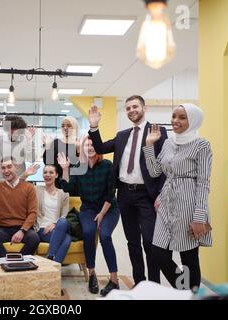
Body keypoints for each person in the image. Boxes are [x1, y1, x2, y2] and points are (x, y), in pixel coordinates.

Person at [88, 95, 168, 285]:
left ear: (144, 108)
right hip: (124, 194)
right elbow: (99, 147)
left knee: (149, 241)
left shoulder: (158, 131)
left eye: (135, 107)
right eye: (128, 108)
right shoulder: (122, 135)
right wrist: (93, 127)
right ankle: (139, 283)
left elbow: (165, 165)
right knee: (133, 242)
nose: (131, 110)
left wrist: (161, 194)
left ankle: (153, 284)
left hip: (147, 195)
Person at [143, 103, 212, 291]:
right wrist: (149, 145)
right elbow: (155, 171)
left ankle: (192, 293)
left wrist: (199, 217)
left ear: (194, 121)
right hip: (166, 203)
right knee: (157, 252)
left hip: (188, 205)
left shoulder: (202, 145)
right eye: (174, 116)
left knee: (188, 257)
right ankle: (185, 291)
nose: (175, 121)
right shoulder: (168, 142)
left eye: (182, 117)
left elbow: (204, 183)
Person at [58, 136, 120, 296]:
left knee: (105, 236)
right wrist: (65, 169)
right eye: (87, 144)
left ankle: (114, 279)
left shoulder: (107, 166)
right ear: (82, 148)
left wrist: (101, 214)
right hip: (88, 209)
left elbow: (110, 193)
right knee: (88, 233)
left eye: (93, 144)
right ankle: (91, 272)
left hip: (108, 208)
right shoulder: (79, 167)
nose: (90, 147)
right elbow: (67, 187)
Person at [23, 164, 71, 263]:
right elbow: (18, 184)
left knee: (63, 222)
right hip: (42, 229)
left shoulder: (64, 194)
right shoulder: (36, 190)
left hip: (57, 228)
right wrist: (26, 174)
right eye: (45, 172)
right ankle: (54, 267)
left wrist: (54, 224)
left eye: (51, 172)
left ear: (56, 175)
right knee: (67, 239)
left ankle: (51, 258)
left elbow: (64, 214)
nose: (47, 175)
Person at [0, 115, 36, 182]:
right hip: (0, 180)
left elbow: (31, 159)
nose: (14, 134)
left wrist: (30, 140)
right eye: (11, 131)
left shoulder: (25, 140)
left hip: (19, 180)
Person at [43, 116, 80, 191]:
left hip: (74, 183)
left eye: (69, 126)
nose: (65, 128)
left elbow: (80, 166)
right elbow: (47, 163)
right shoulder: (55, 142)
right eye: (63, 126)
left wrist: (79, 151)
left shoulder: (79, 144)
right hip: (56, 183)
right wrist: (47, 147)